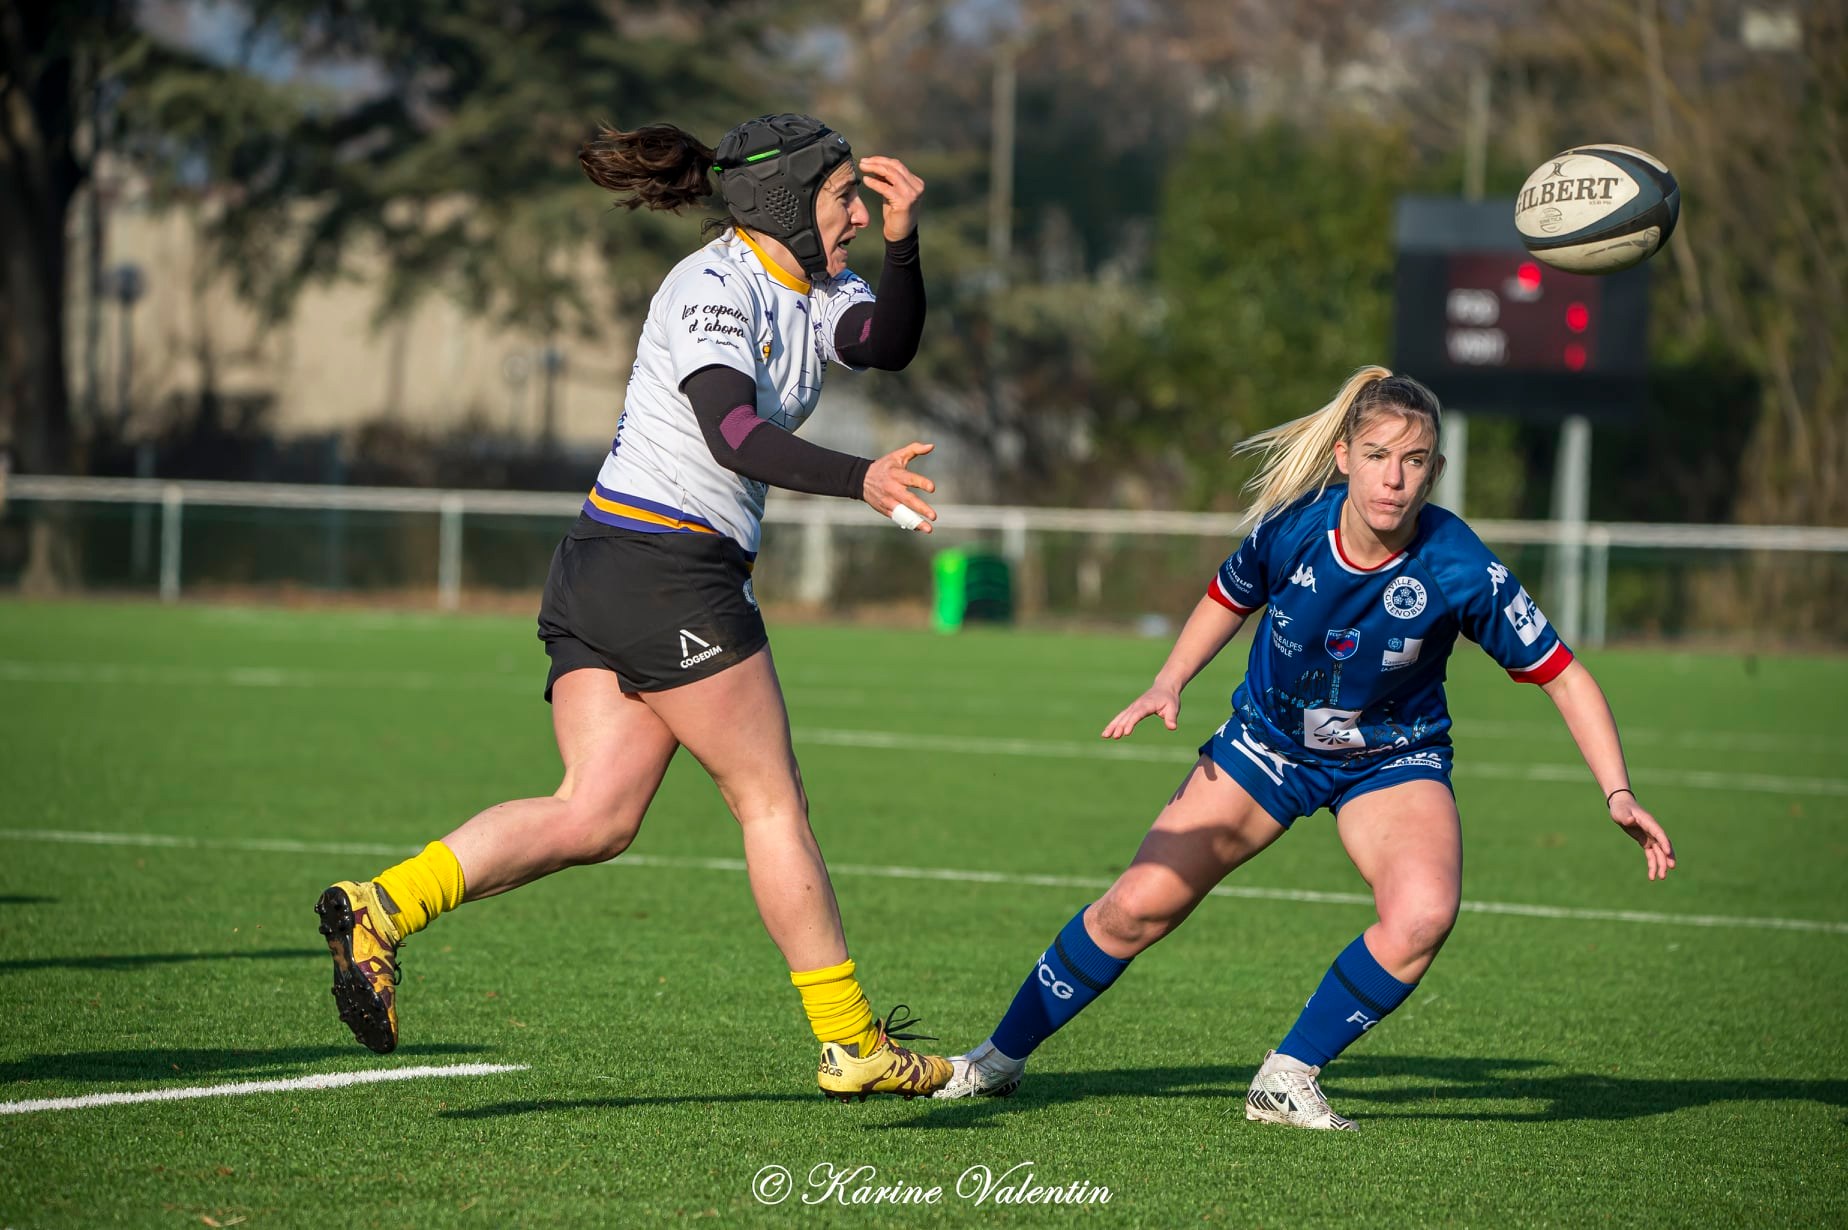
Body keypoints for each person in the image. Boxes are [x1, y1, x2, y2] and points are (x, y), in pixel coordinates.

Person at [314, 113, 954, 1102]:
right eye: (843, 201)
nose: (859, 219)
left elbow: (887, 342)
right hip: (667, 570)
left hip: (607, 565)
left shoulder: (818, 284)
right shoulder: (710, 286)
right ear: (784, 205)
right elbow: (734, 431)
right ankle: (851, 1040)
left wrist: (909, 240)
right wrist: (860, 477)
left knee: (595, 813)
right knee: (771, 802)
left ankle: (380, 908)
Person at [932, 366, 1677, 1128]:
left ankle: (1286, 1076)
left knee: (1422, 914)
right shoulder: (1294, 526)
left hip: (1392, 759)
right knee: (1134, 908)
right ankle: (994, 1061)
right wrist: (1169, 680)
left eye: (1414, 461)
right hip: (1267, 745)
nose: (1395, 479)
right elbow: (1230, 596)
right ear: (1346, 456)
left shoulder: (1459, 564)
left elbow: (1565, 677)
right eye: (1379, 455)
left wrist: (1618, 791)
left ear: (1436, 471)